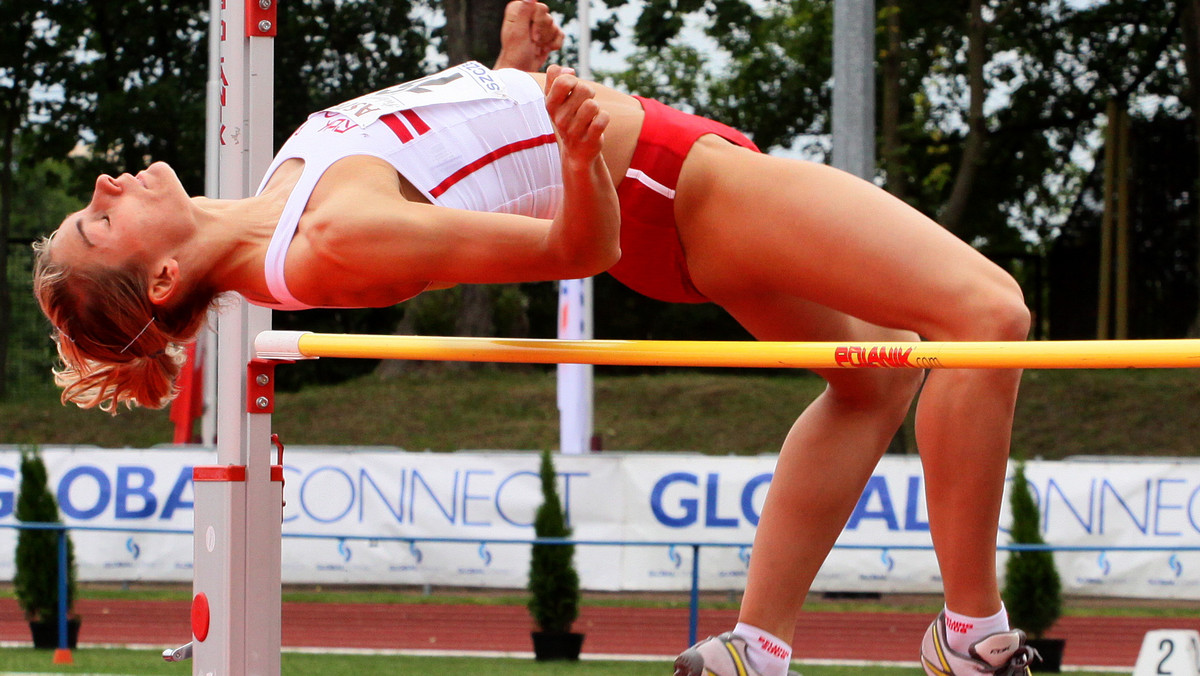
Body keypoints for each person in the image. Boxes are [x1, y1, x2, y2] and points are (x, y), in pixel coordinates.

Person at [34, 2, 1038, 675]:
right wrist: (577, 148)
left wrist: (517, 74)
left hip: (666, 186)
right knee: (985, 316)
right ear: (162, 277)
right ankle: (972, 634)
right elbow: (574, 247)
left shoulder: (279, 199)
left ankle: (757, 648)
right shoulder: (335, 238)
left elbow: (465, 152)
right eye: (99, 219)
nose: (107, 186)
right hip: (672, 187)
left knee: (869, 382)